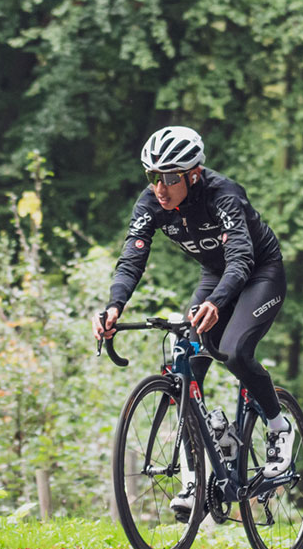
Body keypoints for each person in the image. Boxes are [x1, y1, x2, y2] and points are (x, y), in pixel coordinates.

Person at [92, 125, 292, 518]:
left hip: (259, 273)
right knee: (184, 367)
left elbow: (241, 258)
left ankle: (278, 426)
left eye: (170, 177)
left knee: (234, 352)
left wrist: (217, 302)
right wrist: (114, 306)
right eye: (153, 176)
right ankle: (196, 476)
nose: (160, 188)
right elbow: (131, 259)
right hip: (215, 276)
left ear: (194, 174)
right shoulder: (151, 203)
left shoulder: (224, 195)